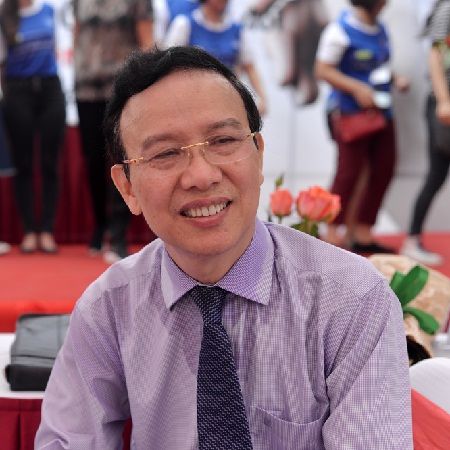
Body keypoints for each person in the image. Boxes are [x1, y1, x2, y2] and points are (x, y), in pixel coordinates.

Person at [35, 46, 412, 449]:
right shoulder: (108, 308)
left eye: (223, 140)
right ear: (127, 187)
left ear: (258, 154)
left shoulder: (351, 299)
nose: (201, 176)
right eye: (165, 153)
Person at [315, 0, 409, 254]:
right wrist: (356, 88)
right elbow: (322, 70)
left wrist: (395, 79)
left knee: (383, 169)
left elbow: (380, 67)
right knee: (348, 173)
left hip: (382, 112)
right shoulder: (340, 30)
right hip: (350, 114)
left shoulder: (381, 29)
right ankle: (332, 233)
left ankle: (362, 232)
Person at [73, 0, 153, 263]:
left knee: (122, 158)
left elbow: (146, 41)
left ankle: (119, 234)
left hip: (122, 88)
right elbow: (77, 33)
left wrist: (145, 85)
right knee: (93, 160)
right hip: (85, 88)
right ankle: (100, 226)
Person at [0, 0, 66, 253]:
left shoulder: (50, 10)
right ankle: (29, 230)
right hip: (18, 90)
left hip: (50, 88)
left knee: (50, 162)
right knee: (23, 163)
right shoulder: (4, 15)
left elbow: (61, 45)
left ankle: (47, 229)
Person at [401, 0, 450, 267]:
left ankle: (412, 238)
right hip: (444, 106)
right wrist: (443, 100)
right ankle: (412, 239)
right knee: (435, 175)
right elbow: (436, 53)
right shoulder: (447, 9)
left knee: (436, 176)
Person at [165, 0, 267, 115]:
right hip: (192, 100)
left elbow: (249, 66)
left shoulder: (237, 29)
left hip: (227, 99)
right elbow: (168, 64)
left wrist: (262, 99)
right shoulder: (184, 24)